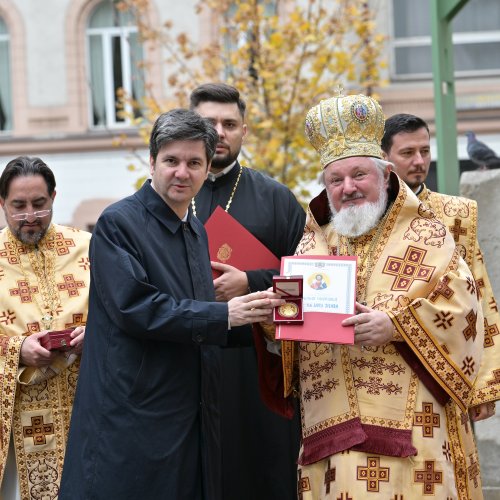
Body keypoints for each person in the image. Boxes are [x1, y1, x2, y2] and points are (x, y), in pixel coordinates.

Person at [264, 92, 493, 498]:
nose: (348, 188)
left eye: (359, 176)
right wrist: (269, 318)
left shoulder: (427, 233)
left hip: (414, 427)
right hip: (332, 429)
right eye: (336, 180)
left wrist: (396, 325)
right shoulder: (312, 245)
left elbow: (465, 309)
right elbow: (292, 328)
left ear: (385, 175)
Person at [59, 109, 284, 500]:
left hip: (189, 413)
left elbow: (197, 319)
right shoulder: (118, 224)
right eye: (172, 161)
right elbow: (138, 308)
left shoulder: (194, 230)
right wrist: (226, 314)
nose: (183, 172)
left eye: (194, 162)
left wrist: (266, 325)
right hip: (136, 419)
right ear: (152, 162)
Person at [190, 83, 305, 500]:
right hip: (186, 366)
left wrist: (251, 282)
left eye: (229, 123)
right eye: (208, 123)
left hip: (258, 371)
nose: (219, 132)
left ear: (244, 131)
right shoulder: (170, 196)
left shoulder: (277, 200)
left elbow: (310, 288)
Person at [382, 113, 500, 421]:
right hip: (384, 374)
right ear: (385, 158)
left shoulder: (456, 213)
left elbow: (480, 294)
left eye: (425, 150)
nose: (420, 161)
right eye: (408, 153)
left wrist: (484, 386)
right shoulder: (366, 219)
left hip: (449, 368)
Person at [0, 156, 90, 499]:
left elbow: (120, 314)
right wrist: (16, 350)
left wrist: (93, 335)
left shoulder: (88, 247)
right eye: (18, 206)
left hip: (85, 405)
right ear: (2, 203)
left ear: (54, 197)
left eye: (39, 204)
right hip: (19, 420)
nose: (30, 216)